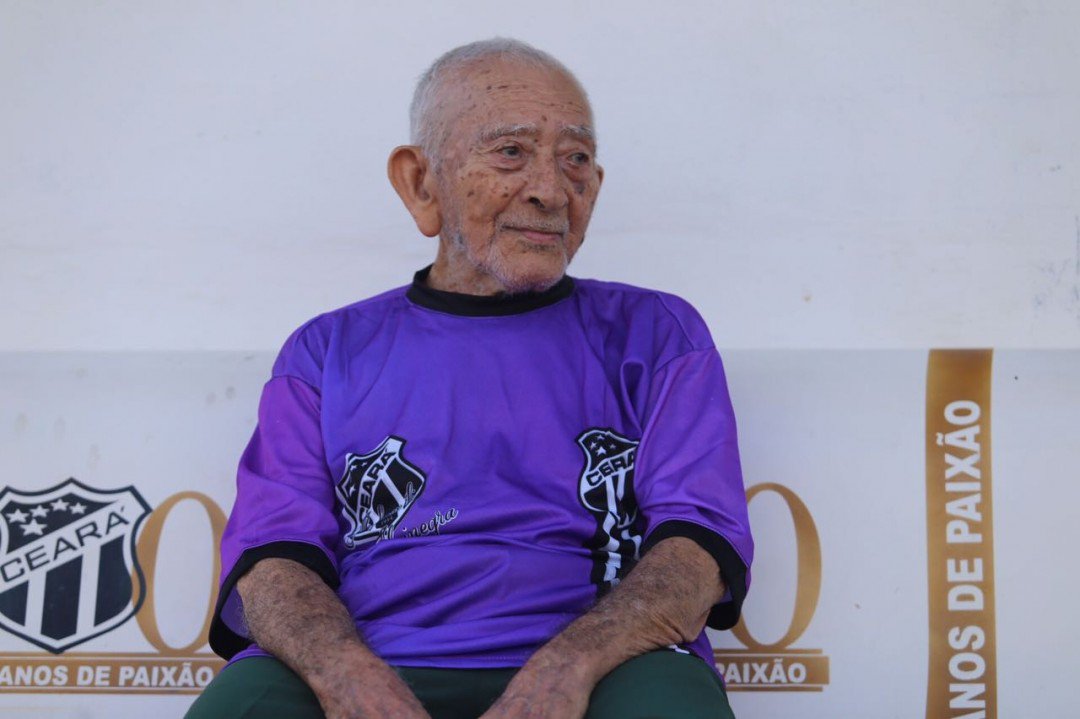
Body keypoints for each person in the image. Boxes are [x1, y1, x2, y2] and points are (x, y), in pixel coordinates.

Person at [187, 38, 753, 719]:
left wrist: (567, 667)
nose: (550, 190)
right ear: (421, 184)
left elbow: (698, 548)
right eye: (511, 152)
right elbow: (272, 559)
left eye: (575, 159)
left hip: (607, 664)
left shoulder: (657, 334)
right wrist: (349, 678)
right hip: (368, 655)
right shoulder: (326, 352)